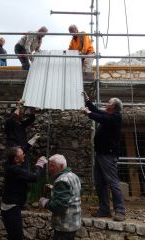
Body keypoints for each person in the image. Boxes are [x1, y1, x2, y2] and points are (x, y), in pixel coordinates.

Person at [81, 93, 125, 221]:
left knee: (113, 182)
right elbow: (97, 111)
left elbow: (100, 118)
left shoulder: (116, 117)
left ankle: (120, 211)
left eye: (109, 102)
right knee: (100, 183)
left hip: (108, 155)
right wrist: (88, 102)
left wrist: (88, 113)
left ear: (113, 106)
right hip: (101, 154)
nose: (107, 103)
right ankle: (105, 209)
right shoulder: (110, 114)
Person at [1, 146, 47, 240]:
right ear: (16, 159)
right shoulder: (14, 170)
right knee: (17, 236)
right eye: (22, 155)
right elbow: (34, 177)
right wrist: (40, 164)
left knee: (13, 236)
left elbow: (26, 174)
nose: (24, 155)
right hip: (11, 208)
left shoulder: (11, 166)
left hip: (10, 206)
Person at [39, 154, 81, 240]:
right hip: (74, 223)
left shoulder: (61, 180)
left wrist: (44, 202)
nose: (50, 169)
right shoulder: (73, 176)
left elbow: (60, 206)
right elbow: (73, 194)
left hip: (64, 226)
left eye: (52, 166)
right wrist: (54, 189)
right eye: (49, 166)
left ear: (61, 166)